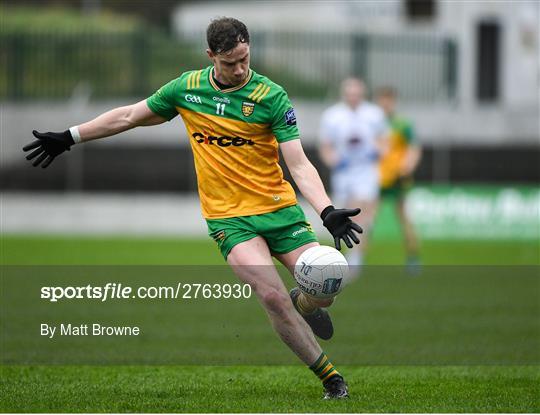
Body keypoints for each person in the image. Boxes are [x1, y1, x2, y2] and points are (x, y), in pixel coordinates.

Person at [23, 17, 362, 399]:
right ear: (210, 56)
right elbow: (129, 116)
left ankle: (306, 301)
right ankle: (331, 378)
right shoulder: (187, 88)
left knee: (326, 282)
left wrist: (326, 210)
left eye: (244, 60)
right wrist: (69, 137)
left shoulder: (271, 96)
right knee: (270, 296)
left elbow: (298, 163)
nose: (238, 70)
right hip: (229, 219)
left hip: (279, 210)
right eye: (229, 62)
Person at [319, 78, 389, 270]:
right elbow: (326, 147)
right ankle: (348, 251)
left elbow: (384, 142)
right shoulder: (332, 116)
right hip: (344, 172)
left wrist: (378, 152)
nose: (353, 98)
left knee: (360, 209)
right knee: (344, 213)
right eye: (350, 94)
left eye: (356, 94)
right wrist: (334, 161)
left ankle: (355, 257)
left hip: (365, 170)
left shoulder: (374, 114)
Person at [376, 86, 422, 271]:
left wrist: (408, 165)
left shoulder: (402, 124)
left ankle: (413, 258)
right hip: (377, 179)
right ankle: (356, 259)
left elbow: (414, 148)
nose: (385, 103)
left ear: (393, 101)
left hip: (397, 178)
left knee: (405, 219)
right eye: (382, 99)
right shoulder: (372, 123)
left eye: (389, 99)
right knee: (367, 219)